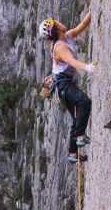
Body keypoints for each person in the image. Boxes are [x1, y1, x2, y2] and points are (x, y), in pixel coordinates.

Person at [38, 12, 95, 163]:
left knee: (77, 118)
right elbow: (71, 61)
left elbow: (82, 25)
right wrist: (87, 67)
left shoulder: (67, 36)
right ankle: (80, 136)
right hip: (63, 84)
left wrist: (92, 10)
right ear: (56, 29)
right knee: (84, 102)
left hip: (63, 83)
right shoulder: (60, 47)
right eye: (56, 22)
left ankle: (73, 153)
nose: (59, 21)